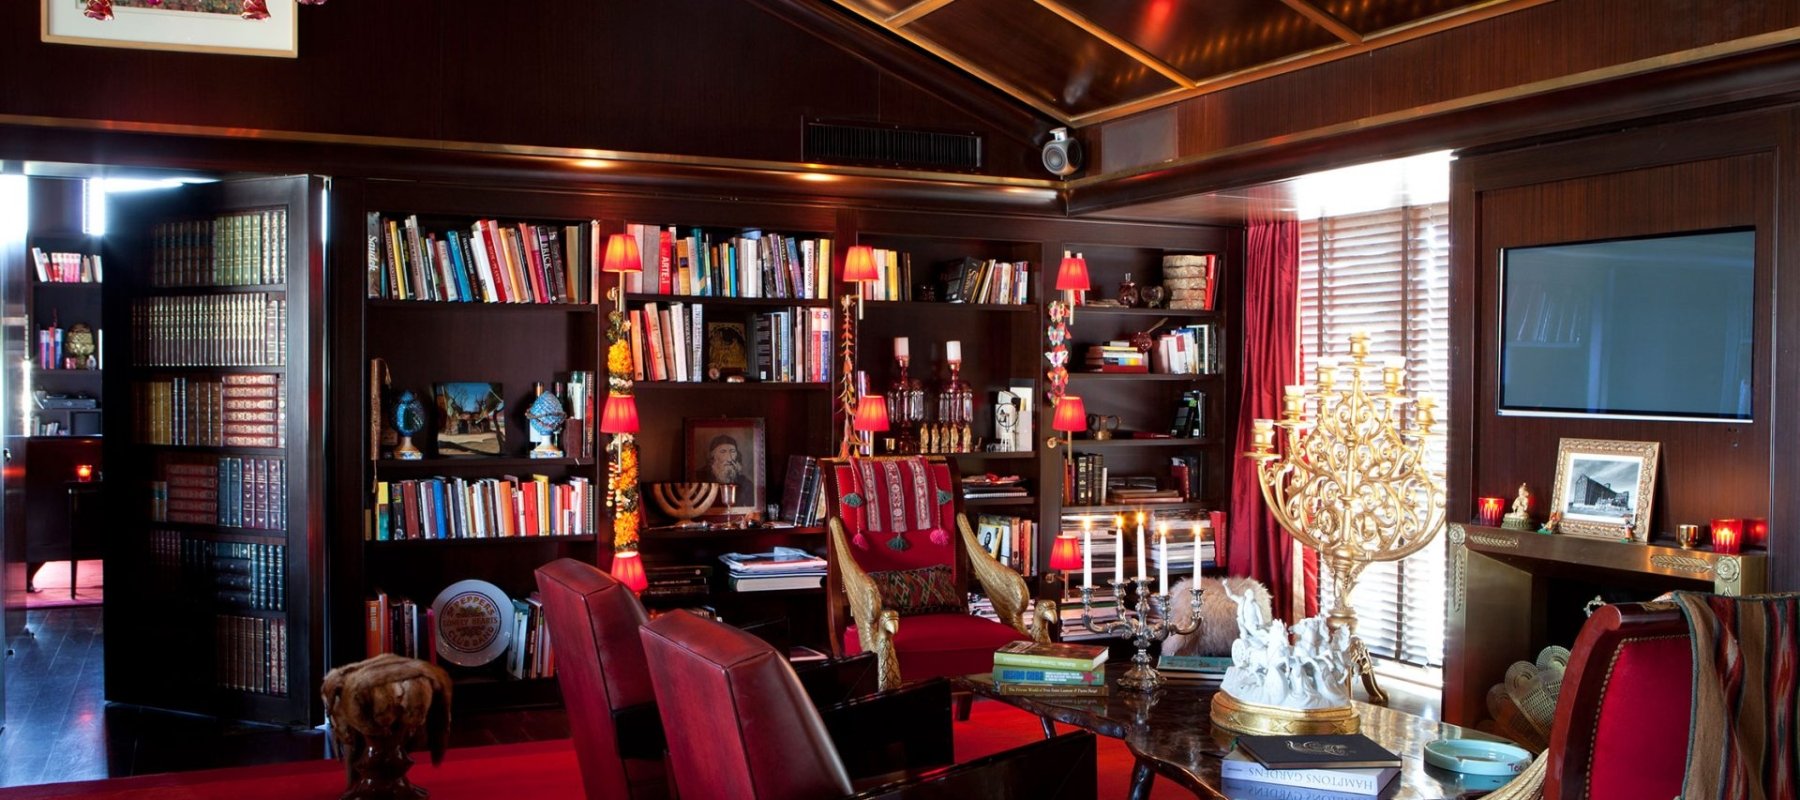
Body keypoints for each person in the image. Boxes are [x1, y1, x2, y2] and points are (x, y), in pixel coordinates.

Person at [697, 434, 752, 500]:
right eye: (723, 452)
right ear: (713, 456)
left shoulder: (745, 483)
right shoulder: (698, 478)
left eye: (733, 451)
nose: (729, 458)